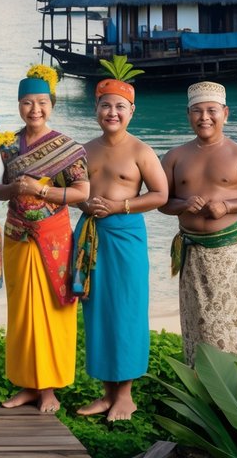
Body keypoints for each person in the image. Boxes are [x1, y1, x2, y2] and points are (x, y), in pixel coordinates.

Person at [0, 65, 88, 414]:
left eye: (42, 102)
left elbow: (82, 192)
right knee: (23, 314)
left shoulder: (66, 147)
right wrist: (12, 189)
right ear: (19, 105)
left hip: (53, 236)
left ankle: (49, 389)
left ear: (52, 104)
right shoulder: (7, 146)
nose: (35, 110)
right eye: (28, 103)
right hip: (17, 235)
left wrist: (42, 190)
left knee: (52, 312)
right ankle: (26, 385)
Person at [72, 75, 167, 421]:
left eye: (120, 107)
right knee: (97, 310)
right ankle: (105, 392)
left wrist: (119, 207)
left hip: (126, 235)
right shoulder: (83, 150)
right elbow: (73, 193)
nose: (112, 112)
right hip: (91, 234)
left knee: (127, 309)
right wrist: (85, 206)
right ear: (96, 109)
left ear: (132, 112)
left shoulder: (141, 150)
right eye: (106, 105)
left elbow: (160, 195)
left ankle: (125, 395)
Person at [161, 81, 237, 364]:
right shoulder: (174, 157)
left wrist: (228, 205)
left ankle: (232, 397)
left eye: (211, 110)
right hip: (192, 253)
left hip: (228, 253)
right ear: (188, 115)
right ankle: (199, 396)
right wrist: (183, 204)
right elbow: (161, 201)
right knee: (195, 324)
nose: (204, 117)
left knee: (227, 327)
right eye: (197, 111)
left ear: (226, 113)